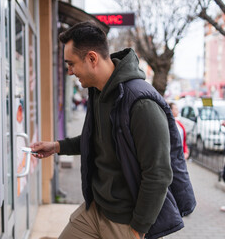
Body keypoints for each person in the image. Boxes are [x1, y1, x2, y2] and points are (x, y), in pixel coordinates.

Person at [31, 21, 195, 239]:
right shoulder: (99, 92)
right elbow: (96, 140)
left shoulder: (141, 103)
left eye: (71, 64)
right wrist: (57, 146)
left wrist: (139, 228)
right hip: (95, 209)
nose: (69, 71)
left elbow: (158, 173)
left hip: (126, 222)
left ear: (92, 58)